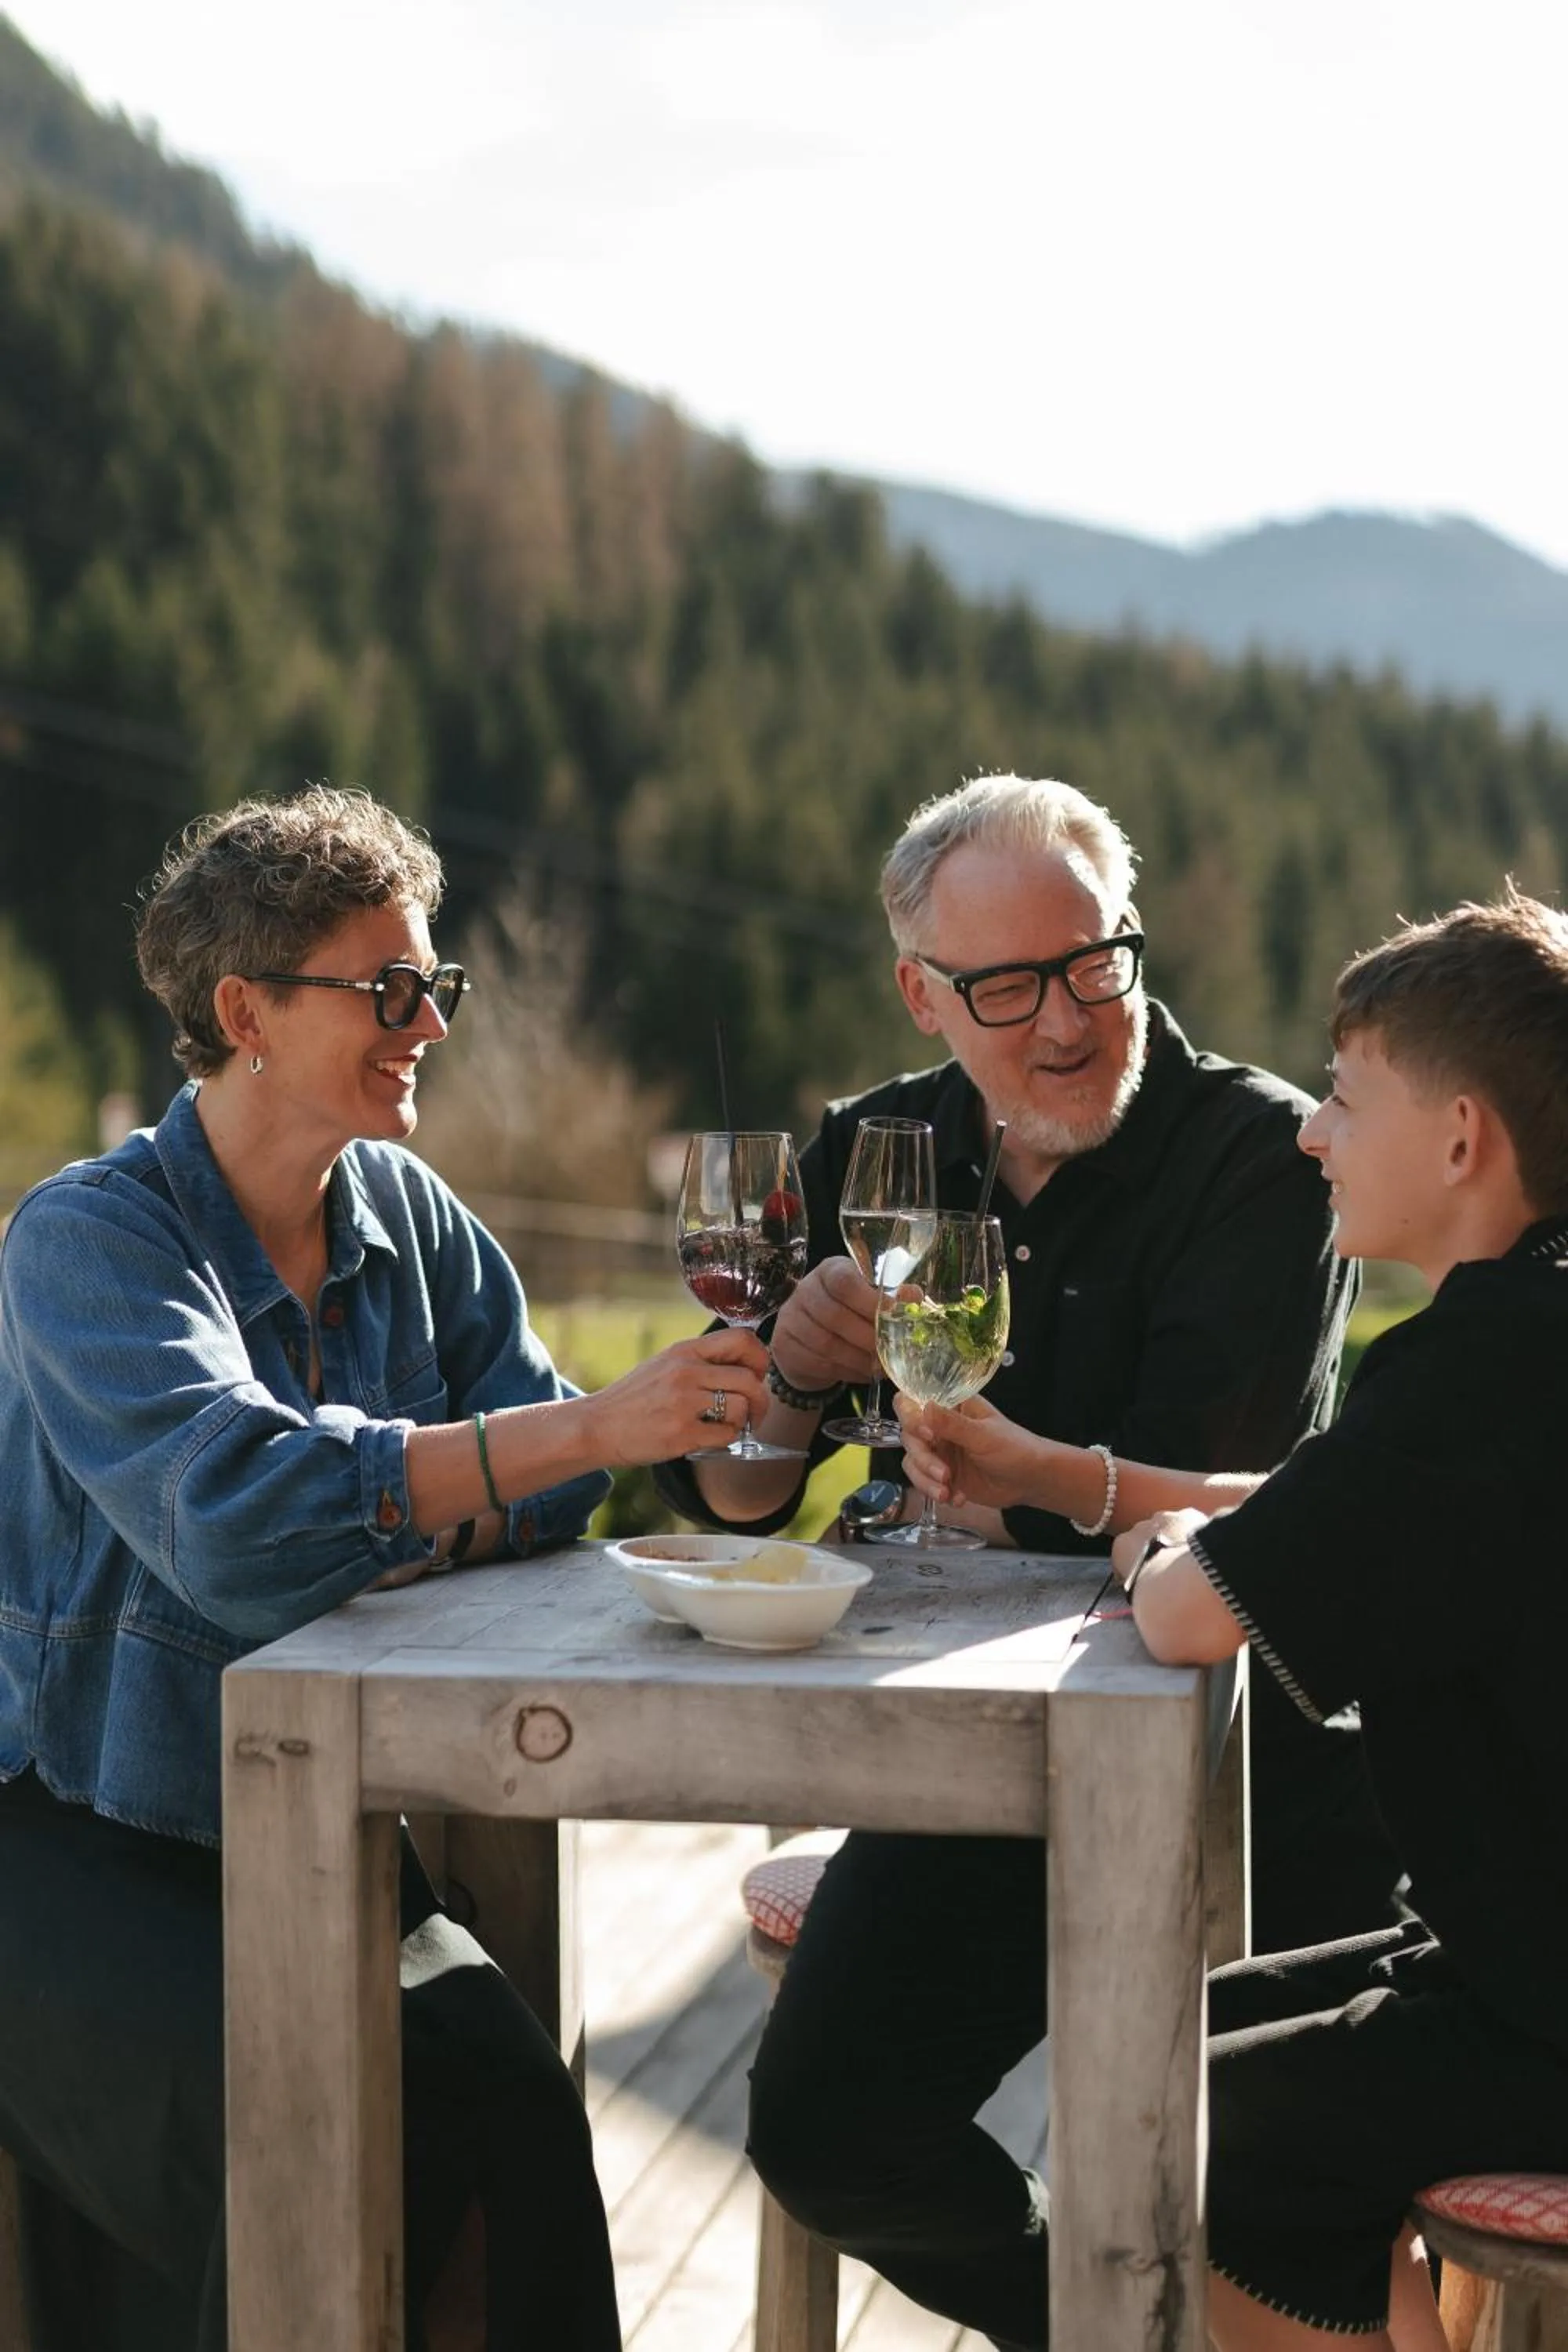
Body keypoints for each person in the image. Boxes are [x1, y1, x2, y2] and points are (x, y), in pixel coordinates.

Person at [0, 786, 768, 2352]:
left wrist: (438, 1494)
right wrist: (507, 1467)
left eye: (439, 989)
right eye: (390, 988)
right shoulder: (89, 1239)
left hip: (324, 1829)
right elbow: (233, 1521)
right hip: (75, 1834)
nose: (429, 1023)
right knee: (285, 2121)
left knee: (521, 2132)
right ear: (247, 1011)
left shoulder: (405, 1214)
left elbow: (549, 1479)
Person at [896, 885, 1568, 2350]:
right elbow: (1337, 1515)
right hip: (1507, 1956)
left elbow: (1200, 1613)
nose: (1312, 1132)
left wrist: (1167, 1546)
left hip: (1543, 2008)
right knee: (1173, 2038)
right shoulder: (1523, 1340)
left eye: (1342, 1098)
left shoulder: (1475, 1374)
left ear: (1460, 1140)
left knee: (1180, 2113)